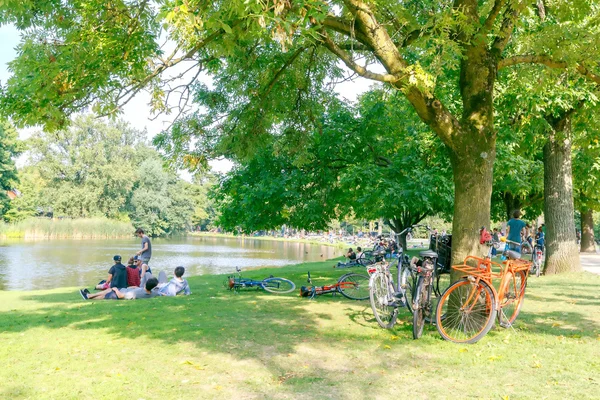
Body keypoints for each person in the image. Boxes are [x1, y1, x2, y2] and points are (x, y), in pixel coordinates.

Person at [80, 277, 160, 300]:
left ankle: (89, 296)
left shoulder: (137, 293)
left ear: (146, 283)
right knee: (108, 291)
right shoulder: (152, 293)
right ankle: (89, 295)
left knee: (109, 291)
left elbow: (121, 296)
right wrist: (134, 287)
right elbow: (159, 293)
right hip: (126, 290)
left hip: (119, 294)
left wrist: (115, 289)